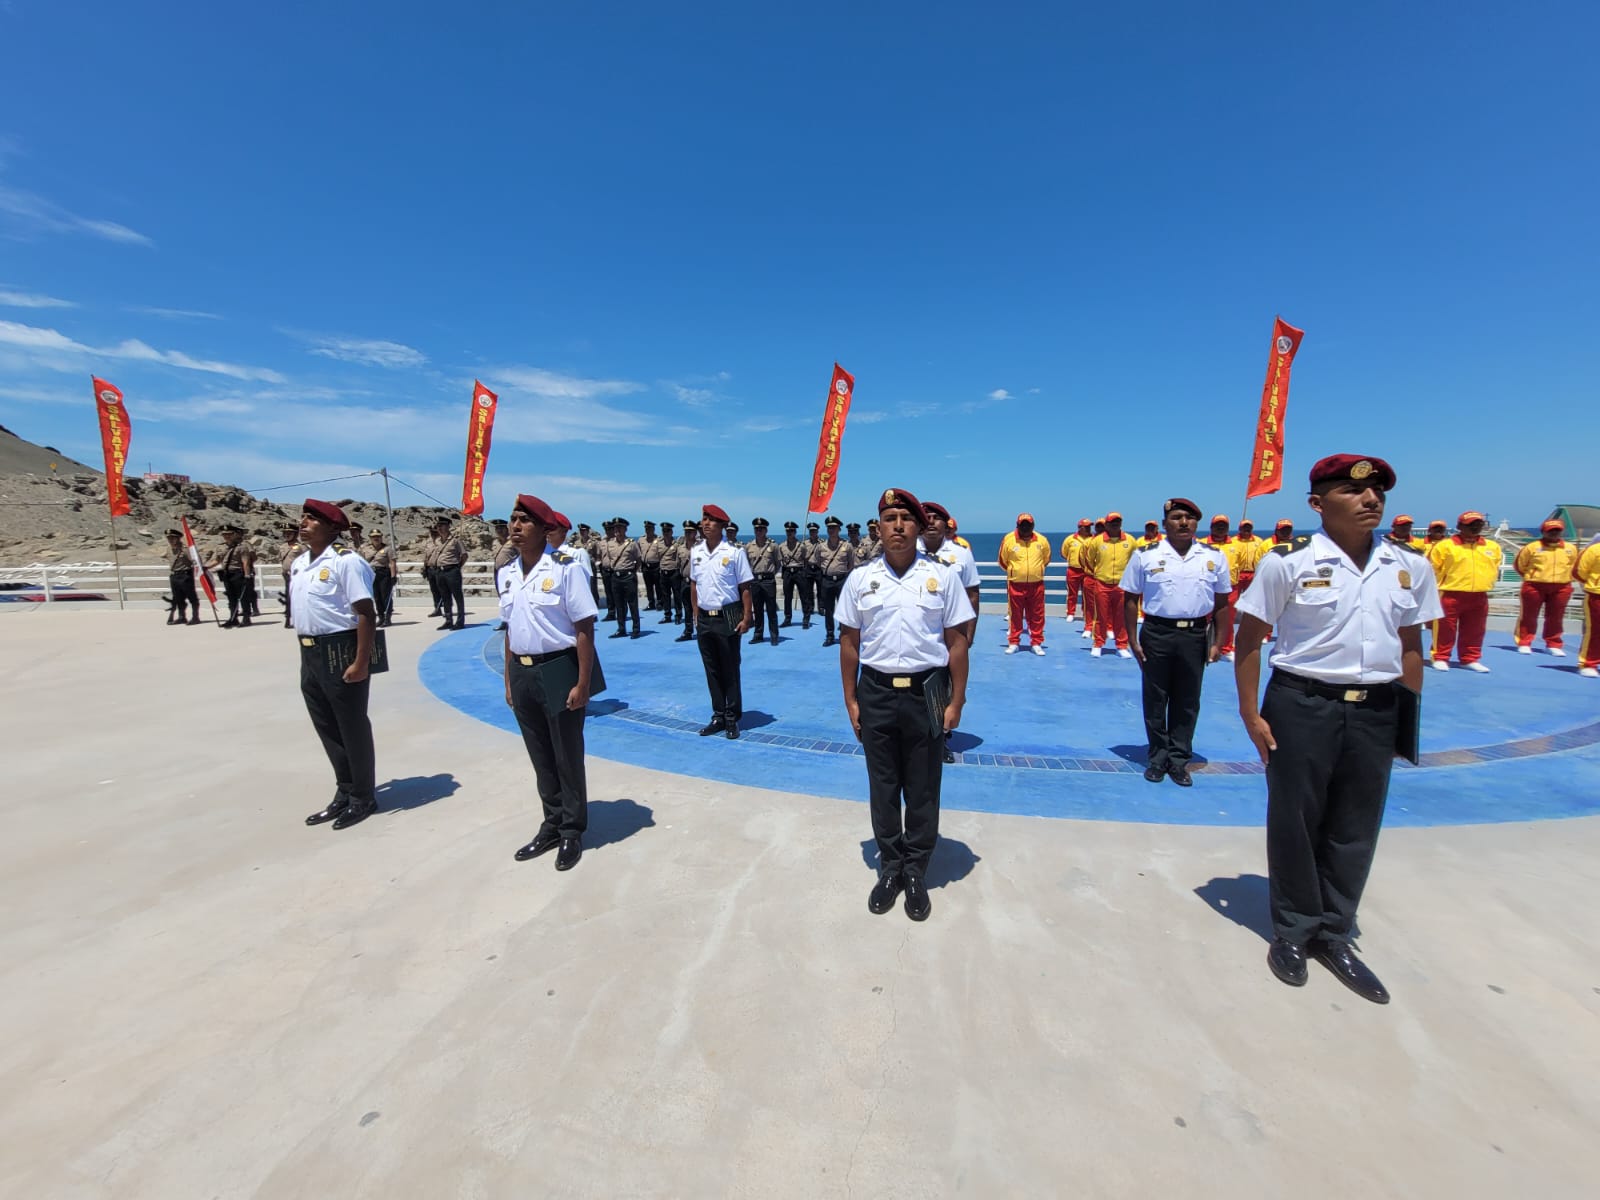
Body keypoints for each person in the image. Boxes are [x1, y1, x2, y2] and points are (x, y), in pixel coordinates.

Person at [1234, 454, 1442, 1005]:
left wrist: (1405, 718)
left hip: (1376, 708)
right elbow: (1250, 639)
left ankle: (1335, 932)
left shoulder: (1410, 566)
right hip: (1303, 703)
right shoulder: (1287, 564)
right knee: (1296, 818)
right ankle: (1294, 931)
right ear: (1317, 503)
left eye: (1377, 491)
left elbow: (1411, 647)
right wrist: (1251, 714)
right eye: (1353, 491)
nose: (1370, 499)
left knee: (1356, 823)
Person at [837, 488, 973, 922]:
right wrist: (851, 698)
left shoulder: (942, 578)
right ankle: (890, 867)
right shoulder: (860, 579)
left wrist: (957, 699)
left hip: (925, 694)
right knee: (882, 786)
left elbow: (956, 643)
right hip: (875, 693)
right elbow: (849, 642)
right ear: (878, 526)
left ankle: (916, 870)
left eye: (905, 518)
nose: (897, 525)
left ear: (919, 527)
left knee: (922, 787)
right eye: (889, 517)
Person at [498, 493, 598, 872]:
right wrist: (509, 679)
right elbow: (509, 629)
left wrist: (583, 682)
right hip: (522, 672)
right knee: (540, 754)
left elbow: (584, 627)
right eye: (512, 520)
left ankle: (572, 829)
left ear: (544, 529)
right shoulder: (507, 573)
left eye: (524, 521)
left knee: (566, 753)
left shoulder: (565, 568)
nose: (515, 527)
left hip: (559, 667)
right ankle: (552, 822)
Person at [1121, 498, 1232, 786]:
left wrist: (1218, 641)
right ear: (1164, 524)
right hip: (1157, 632)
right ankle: (1157, 758)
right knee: (1156, 698)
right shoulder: (1145, 555)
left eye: (1190, 518)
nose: (1184, 523)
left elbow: (1222, 603)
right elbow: (1131, 599)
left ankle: (1179, 759)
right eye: (1177, 517)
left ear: (1197, 524)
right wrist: (1132, 639)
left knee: (1187, 699)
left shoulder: (1213, 557)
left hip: (1195, 635)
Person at [293, 499, 381, 831]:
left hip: (341, 649)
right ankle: (344, 791)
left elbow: (366, 614)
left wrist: (360, 662)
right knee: (327, 727)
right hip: (310, 652)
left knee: (351, 726)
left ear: (332, 527)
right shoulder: (302, 563)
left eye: (312, 519)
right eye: (303, 518)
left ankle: (363, 796)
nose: (304, 523)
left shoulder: (347, 562)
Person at [921, 501, 982, 765]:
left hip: (953, 632)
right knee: (921, 684)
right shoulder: (909, 552)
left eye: (937, 518)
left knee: (947, 687)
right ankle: (920, 736)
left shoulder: (962, 554)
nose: (932, 522)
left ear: (947, 525)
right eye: (927, 517)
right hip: (922, 630)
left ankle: (941, 740)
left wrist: (970, 632)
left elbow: (972, 593)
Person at [689, 504, 753, 736]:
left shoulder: (734, 553)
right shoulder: (696, 552)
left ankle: (731, 717)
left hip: (727, 617)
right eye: (704, 519)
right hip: (705, 618)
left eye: (711, 520)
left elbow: (745, 587)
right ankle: (717, 715)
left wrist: (747, 617)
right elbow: (694, 584)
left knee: (729, 669)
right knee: (711, 669)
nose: (705, 523)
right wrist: (695, 612)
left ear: (722, 526)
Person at [1426, 510, 1502, 672]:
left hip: (1479, 595)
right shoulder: (1445, 546)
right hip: (1450, 593)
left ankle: (1469, 658)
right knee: (1445, 628)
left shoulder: (1492, 547)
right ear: (1460, 526)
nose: (1475, 528)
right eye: (1470, 525)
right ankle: (1440, 657)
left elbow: (1494, 566)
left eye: (1478, 524)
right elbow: (1431, 569)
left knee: (1475, 629)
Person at [1513, 519, 1578, 655]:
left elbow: (1574, 566)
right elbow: (1520, 565)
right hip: (1535, 585)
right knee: (1529, 615)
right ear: (1543, 532)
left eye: (1557, 530)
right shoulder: (1532, 547)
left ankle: (1553, 644)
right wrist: (1533, 576)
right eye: (1551, 531)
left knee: (1556, 617)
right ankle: (1524, 642)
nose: (1554, 533)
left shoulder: (1570, 548)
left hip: (1561, 586)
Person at [1080, 513, 1137, 658]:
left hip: (1122, 585)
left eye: (1117, 522)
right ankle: (1098, 643)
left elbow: (1135, 561)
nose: (1115, 524)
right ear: (1106, 524)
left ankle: (1121, 645)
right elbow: (1089, 560)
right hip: (1102, 584)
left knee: (1121, 616)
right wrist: (1099, 573)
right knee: (1100, 615)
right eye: (1112, 522)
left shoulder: (1130, 541)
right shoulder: (1097, 541)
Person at [998, 512, 1051, 655]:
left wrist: (1035, 571)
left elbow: (1046, 559)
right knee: (1015, 614)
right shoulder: (1009, 540)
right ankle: (1014, 642)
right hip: (1016, 584)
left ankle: (1036, 642)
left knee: (1037, 615)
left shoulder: (1042, 540)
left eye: (1028, 525)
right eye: (1023, 525)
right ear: (1018, 526)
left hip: (1036, 584)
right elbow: (1003, 561)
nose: (1026, 527)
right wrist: (1015, 572)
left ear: (1033, 526)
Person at [1201, 515, 1242, 660]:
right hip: (1207, 587)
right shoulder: (1201, 544)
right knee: (1204, 618)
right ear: (1211, 527)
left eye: (1223, 525)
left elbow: (1240, 565)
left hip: (1230, 589)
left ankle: (1226, 648)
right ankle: (1202, 647)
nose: (1220, 528)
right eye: (1217, 525)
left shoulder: (1236, 544)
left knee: (1228, 620)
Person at [816, 516, 857, 648]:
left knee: (843, 610)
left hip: (841, 581)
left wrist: (842, 574)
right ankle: (829, 635)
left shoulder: (847, 546)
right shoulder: (821, 547)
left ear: (839, 529)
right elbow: (818, 562)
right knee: (828, 610)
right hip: (827, 581)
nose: (831, 530)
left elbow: (851, 564)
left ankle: (843, 634)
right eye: (829, 528)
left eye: (833, 527)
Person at [207, 525, 255, 628]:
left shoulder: (242, 547)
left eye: (229, 534)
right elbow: (217, 560)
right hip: (227, 575)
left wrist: (247, 575)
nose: (227, 536)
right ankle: (233, 618)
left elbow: (245, 562)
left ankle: (246, 618)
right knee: (231, 598)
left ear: (234, 535)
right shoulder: (221, 547)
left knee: (243, 597)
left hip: (238, 574)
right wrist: (205, 567)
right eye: (225, 534)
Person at [744, 517, 782, 644]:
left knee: (771, 610)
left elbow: (778, 564)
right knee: (758, 609)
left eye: (761, 529)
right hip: (755, 581)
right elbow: (747, 564)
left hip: (768, 581)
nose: (759, 531)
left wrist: (769, 575)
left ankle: (774, 635)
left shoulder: (773, 546)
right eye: (756, 529)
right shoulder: (749, 546)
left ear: (766, 530)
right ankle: (758, 634)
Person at [606, 518, 643, 639]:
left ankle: (636, 629)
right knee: (619, 605)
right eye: (615, 528)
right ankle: (621, 628)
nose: (617, 530)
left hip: (628, 576)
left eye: (619, 528)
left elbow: (638, 559)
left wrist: (632, 571)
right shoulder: (610, 544)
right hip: (616, 577)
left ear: (625, 529)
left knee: (632, 603)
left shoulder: (631, 544)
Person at [432, 516, 469, 631]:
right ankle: (448, 620)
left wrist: (457, 567)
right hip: (440, 571)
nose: (440, 528)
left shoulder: (455, 540)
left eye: (442, 526)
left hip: (452, 570)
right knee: (445, 597)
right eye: (438, 526)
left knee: (457, 596)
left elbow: (464, 555)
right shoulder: (437, 541)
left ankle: (460, 621)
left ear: (448, 526)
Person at [164, 528, 201, 625]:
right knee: (178, 597)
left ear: (178, 538)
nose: (170, 540)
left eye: (172, 538)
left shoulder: (184, 549)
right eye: (169, 538)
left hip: (185, 575)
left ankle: (195, 617)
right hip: (174, 575)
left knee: (191, 597)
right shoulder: (169, 549)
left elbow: (194, 560)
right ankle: (181, 616)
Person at [1576, 537, 1600, 678]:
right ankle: (1588, 663)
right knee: (1595, 631)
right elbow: (1579, 572)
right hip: (1596, 594)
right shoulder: (1594, 549)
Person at [1061, 518, 1093, 624]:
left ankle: (1086, 614)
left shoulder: (1094, 539)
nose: (1089, 528)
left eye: (1090, 526)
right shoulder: (1070, 539)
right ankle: (1070, 613)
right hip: (1073, 570)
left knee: (1087, 594)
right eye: (1086, 526)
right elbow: (1064, 553)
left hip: (1087, 571)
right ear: (1080, 527)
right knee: (1071, 593)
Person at [364, 529, 397, 627]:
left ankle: (388, 618)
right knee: (377, 597)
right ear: (370, 538)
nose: (376, 538)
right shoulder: (366, 549)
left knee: (385, 596)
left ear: (381, 537)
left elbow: (392, 563)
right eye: (374, 537)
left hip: (383, 573)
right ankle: (381, 617)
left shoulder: (387, 549)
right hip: (371, 574)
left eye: (378, 536)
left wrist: (393, 576)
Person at [674, 520, 700, 641]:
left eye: (690, 531)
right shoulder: (680, 548)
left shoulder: (701, 547)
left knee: (700, 607)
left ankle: (701, 630)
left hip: (698, 582)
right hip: (685, 581)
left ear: (695, 532)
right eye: (686, 531)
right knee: (687, 608)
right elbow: (678, 564)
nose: (688, 534)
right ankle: (688, 631)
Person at [779, 520, 807, 626]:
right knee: (787, 596)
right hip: (787, 572)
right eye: (788, 531)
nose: (789, 533)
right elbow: (780, 559)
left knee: (803, 595)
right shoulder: (781, 546)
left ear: (795, 532)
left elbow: (805, 559)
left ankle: (806, 618)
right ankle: (787, 618)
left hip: (799, 571)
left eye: (791, 531)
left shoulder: (801, 546)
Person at [656, 523, 682, 624]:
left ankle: (678, 615)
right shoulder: (659, 544)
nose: (665, 533)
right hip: (663, 573)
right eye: (664, 531)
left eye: (667, 531)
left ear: (671, 532)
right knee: (665, 595)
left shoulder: (676, 544)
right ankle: (667, 615)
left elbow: (678, 558)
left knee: (677, 595)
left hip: (674, 573)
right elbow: (658, 557)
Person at [277, 523, 302, 628]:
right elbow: (280, 559)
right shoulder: (282, 547)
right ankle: (288, 619)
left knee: (298, 597)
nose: (287, 535)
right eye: (285, 533)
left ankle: (299, 619)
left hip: (298, 576)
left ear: (295, 534)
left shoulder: (302, 546)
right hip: (286, 575)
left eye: (289, 533)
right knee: (288, 597)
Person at [799, 520, 823, 628]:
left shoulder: (822, 543)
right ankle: (810, 608)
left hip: (818, 568)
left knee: (820, 590)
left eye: (814, 531)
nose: (813, 533)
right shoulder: (804, 544)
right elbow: (802, 557)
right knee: (808, 591)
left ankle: (821, 608)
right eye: (811, 531)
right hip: (808, 568)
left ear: (817, 532)